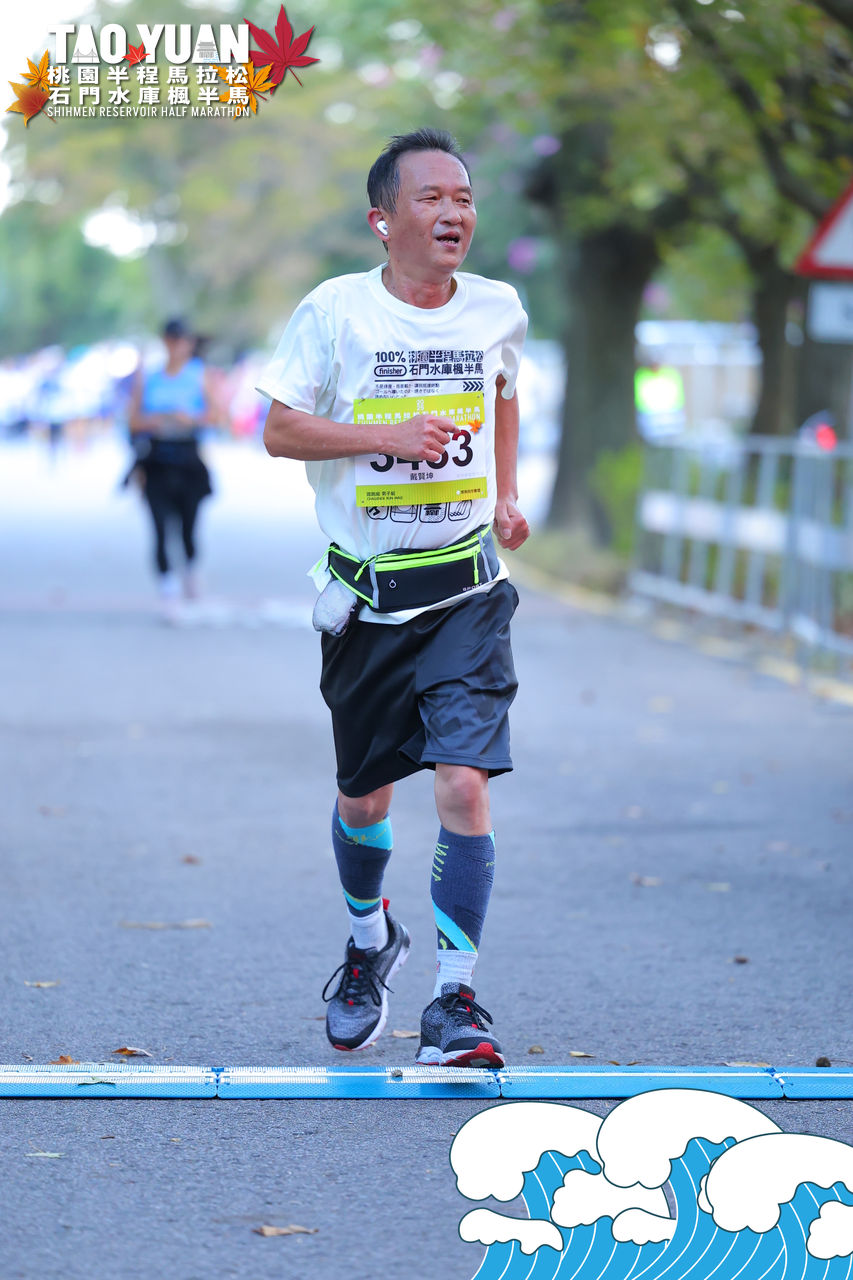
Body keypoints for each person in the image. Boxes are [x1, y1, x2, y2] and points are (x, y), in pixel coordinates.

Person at [258, 128, 529, 1068]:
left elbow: (503, 392)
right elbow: (279, 430)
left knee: (463, 781)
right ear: (384, 221)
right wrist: (387, 436)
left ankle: (455, 1000)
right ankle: (369, 942)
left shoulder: (497, 307)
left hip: (466, 592)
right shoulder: (335, 311)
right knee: (363, 797)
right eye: (431, 198)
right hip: (366, 600)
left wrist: (505, 492)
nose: (454, 212)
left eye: (464, 197)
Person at [127, 319, 214, 611]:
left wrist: (190, 419)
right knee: (160, 527)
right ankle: (167, 587)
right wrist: (155, 420)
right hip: (157, 459)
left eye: (182, 340)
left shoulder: (200, 375)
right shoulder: (149, 377)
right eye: (172, 340)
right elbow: (133, 420)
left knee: (188, 526)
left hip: (188, 459)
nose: (177, 346)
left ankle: (190, 570)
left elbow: (218, 416)